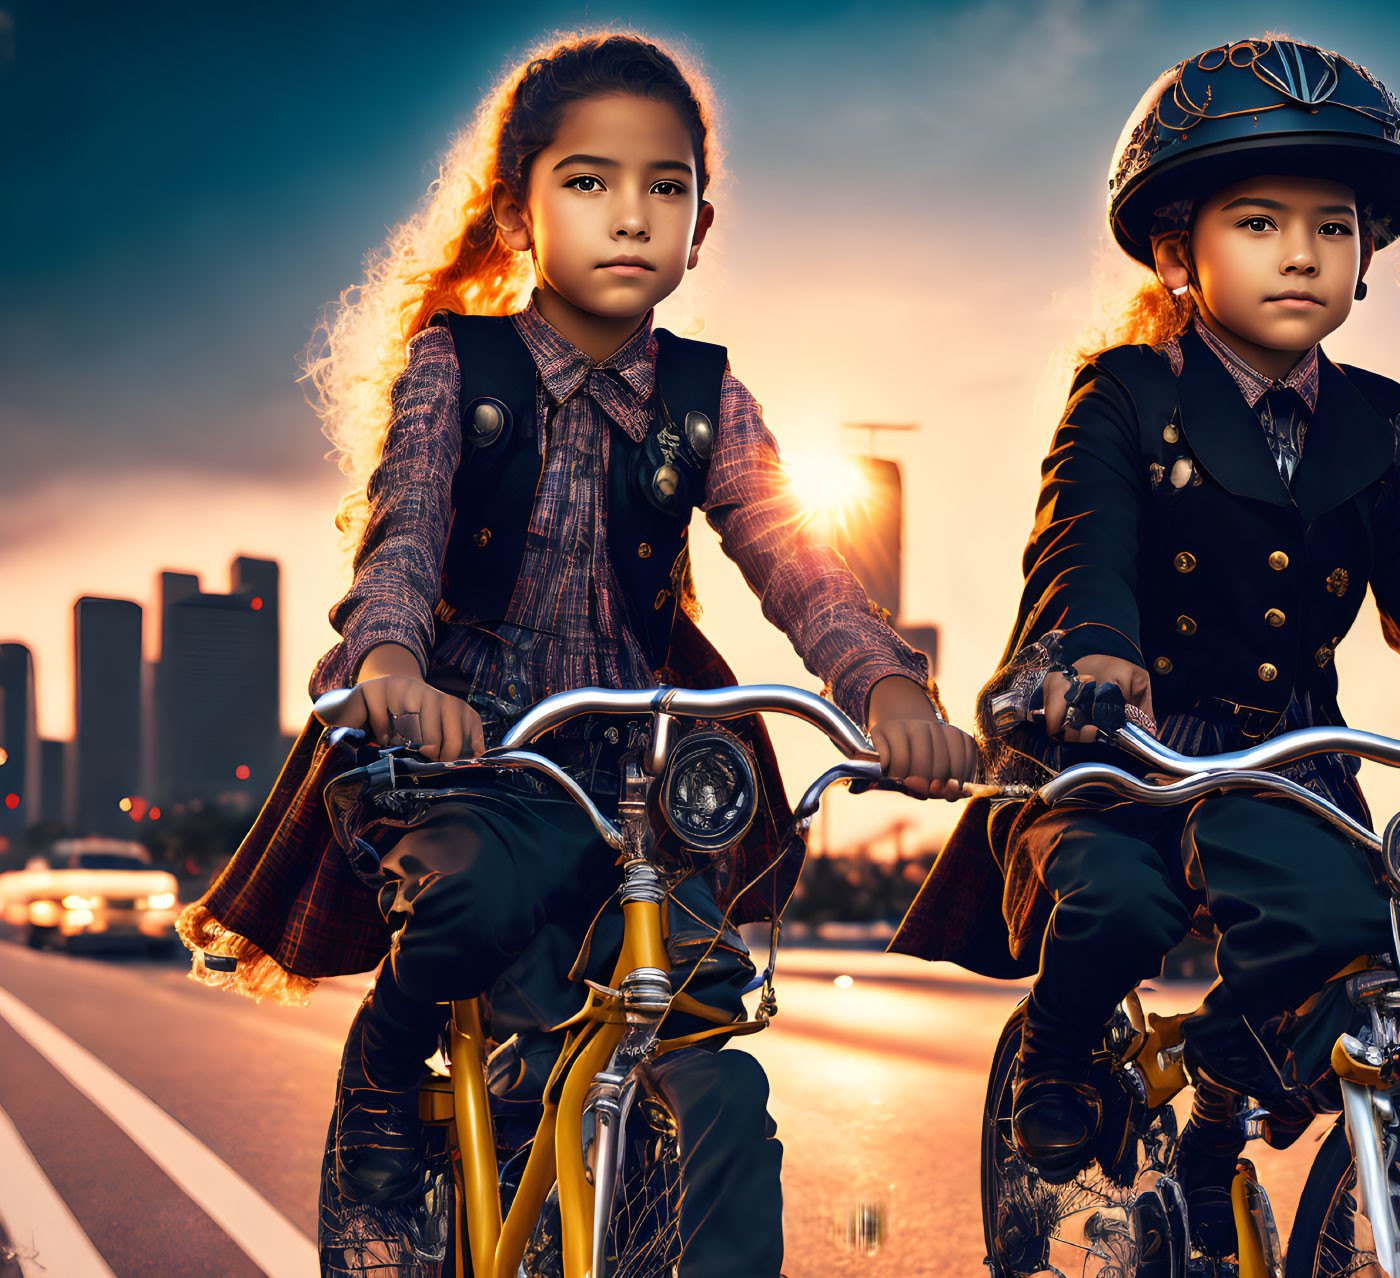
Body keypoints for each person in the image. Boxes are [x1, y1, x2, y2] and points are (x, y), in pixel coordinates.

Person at [176, 30, 975, 1275]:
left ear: (701, 227)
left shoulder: (708, 398)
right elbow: (405, 530)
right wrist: (392, 668)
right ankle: (388, 1081)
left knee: (705, 1014)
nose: (631, 215)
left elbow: (795, 559)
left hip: (644, 768)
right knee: (472, 906)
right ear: (517, 208)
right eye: (588, 182)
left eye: (667, 188)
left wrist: (885, 686)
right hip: (470, 752)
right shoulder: (459, 363)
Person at [891, 35, 1400, 1257]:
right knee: (1116, 901)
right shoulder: (1127, 395)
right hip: (1114, 738)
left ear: (1365, 256)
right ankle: (1058, 1046)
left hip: (1285, 756)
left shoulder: (1381, 440)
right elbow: (1079, 536)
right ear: (1179, 249)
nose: (1300, 252)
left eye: (1332, 226)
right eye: (1257, 221)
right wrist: (1094, 650)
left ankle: (1214, 1122)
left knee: (1339, 930)